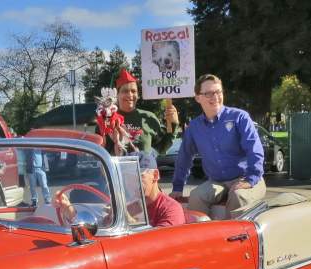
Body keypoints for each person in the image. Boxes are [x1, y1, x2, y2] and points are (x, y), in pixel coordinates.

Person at [170, 74, 266, 218]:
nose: (215, 97)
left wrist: (250, 178)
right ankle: (202, 238)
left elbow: (254, 150)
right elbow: (184, 157)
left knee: (238, 196)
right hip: (216, 182)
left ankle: (232, 238)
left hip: (246, 178)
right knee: (196, 196)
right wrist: (177, 187)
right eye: (208, 93)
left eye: (218, 92)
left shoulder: (240, 117)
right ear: (197, 98)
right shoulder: (194, 127)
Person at [98, 68, 180, 157]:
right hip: (116, 170)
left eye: (133, 91)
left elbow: (161, 148)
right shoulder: (106, 118)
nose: (130, 95)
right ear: (117, 95)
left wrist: (173, 124)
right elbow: (98, 151)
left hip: (144, 169)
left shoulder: (149, 117)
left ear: (138, 95)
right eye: (125, 91)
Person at [136, 150, 186, 227]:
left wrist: (133, 222)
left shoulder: (171, 209)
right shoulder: (133, 206)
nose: (133, 182)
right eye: (128, 176)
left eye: (139, 176)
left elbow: (160, 238)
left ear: (155, 175)